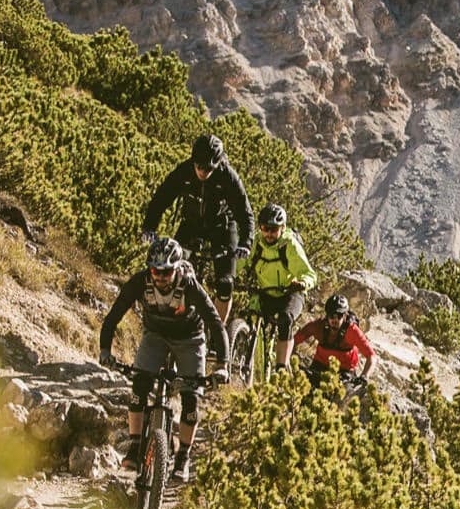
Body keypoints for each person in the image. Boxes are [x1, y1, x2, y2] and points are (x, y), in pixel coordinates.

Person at [99, 236, 229, 484]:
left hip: (190, 338)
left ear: (177, 268)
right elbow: (114, 314)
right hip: (155, 335)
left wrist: (222, 365)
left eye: (166, 272)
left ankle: (183, 457)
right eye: (155, 271)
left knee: (191, 397)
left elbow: (214, 322)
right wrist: (105, 350)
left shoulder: (189, 285)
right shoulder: (141, 281)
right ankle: (136, 446)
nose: (160, 277)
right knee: (139, 386)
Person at [140, 132, 253, 329]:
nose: (202, 171)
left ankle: (217, 333)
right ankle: (173, 319)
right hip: (191, 225)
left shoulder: (228, 176)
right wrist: (149, 227)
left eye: (208, 168)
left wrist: (245, 242)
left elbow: (245, 212)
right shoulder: (184, 171)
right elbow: (161, 198)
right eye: (199, 166)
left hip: (222, 227)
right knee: (171, 268)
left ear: (217, 163)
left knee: (225, 283)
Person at [241, 203, 318, 372]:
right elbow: (241, 263)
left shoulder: (288, 245)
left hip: (290, 292)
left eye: (273, 229)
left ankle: (281, 369)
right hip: (266, 291)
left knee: (285, 319)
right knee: (249, 314)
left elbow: (309, 274)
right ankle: (243, 350)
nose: (269, 233)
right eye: (265, 228)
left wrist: (302, 283)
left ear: (282, 228)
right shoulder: (256, 243)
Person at [295, 293, 374, 385]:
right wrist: (289, 362)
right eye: (332, 315)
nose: (335, 320)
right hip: (319, 367)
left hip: (344, 372)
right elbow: (293, 340)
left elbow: (371, 356)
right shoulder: (318, 326)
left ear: (345, 316)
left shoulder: (352, 331)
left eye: (339, 315)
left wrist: (364, 376)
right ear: (327, 315)